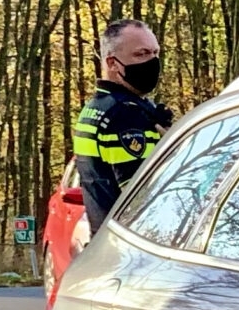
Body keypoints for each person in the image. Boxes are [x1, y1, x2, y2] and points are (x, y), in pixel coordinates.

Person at [73, 17, 171, 231]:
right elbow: (140, 196)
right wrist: (176, 153)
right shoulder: (125, 113)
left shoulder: (95, 107)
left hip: (105, 239)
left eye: (155, 53)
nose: (153, 62)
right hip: (131, 244)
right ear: (112, 63)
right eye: (141, 54)